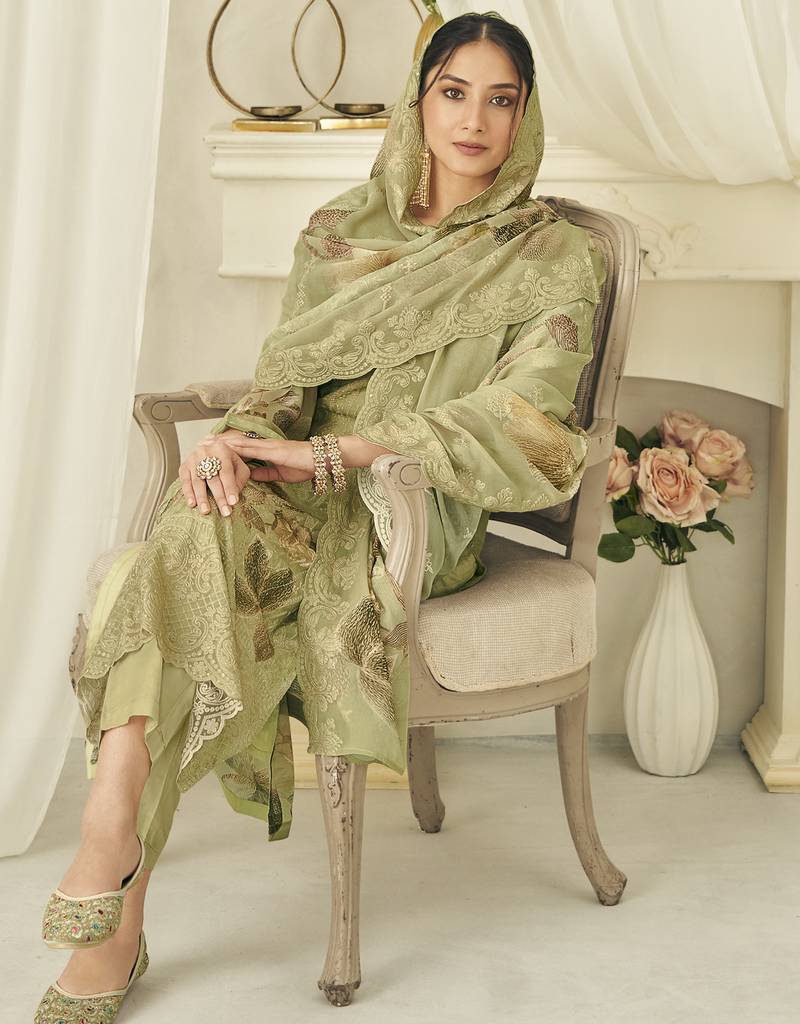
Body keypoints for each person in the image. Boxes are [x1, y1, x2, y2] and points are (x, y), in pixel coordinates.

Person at [34, 9, 606, 1020]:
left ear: (525, 116)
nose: (474, 120)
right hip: (295, 481)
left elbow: (529, 419)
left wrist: (338, 455)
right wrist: (236, 440)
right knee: (193, 523)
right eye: (453, 92)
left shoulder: (551, 255)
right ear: (418, 100)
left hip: (417, 505)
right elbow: (281, 388)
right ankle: (112, 827)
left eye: (500, 99)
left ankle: (110, 881)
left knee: (176, 559)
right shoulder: (340, 231)